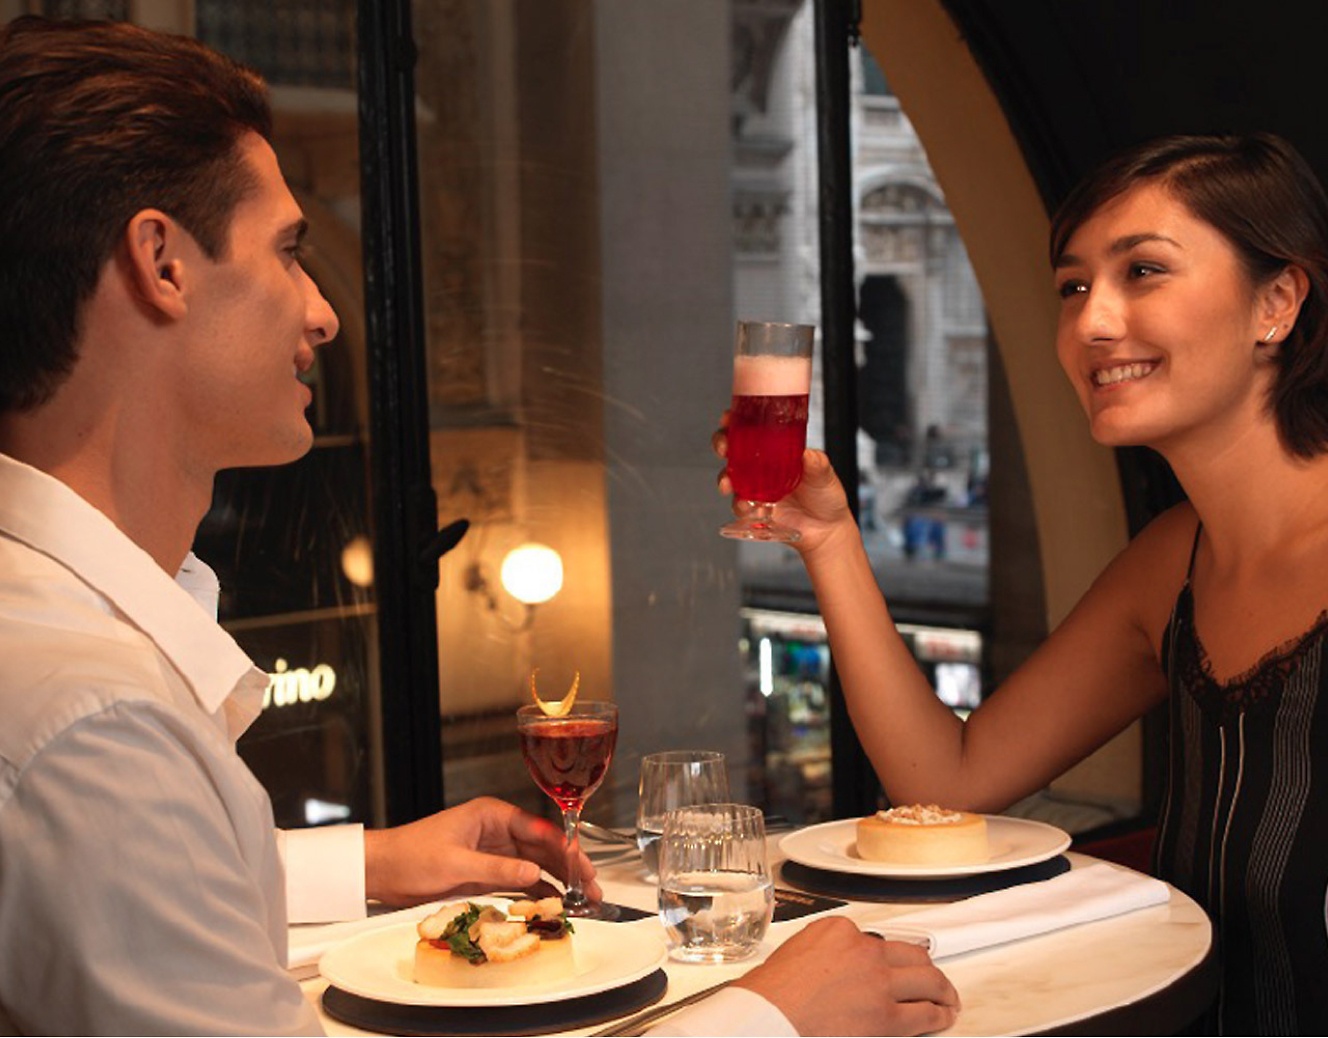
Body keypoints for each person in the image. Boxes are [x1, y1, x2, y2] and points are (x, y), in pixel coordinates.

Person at [0, 16, 959, 1036]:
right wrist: (770, 1018)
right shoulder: (98, 728)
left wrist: (369, 861)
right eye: (287, 252)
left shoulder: (58, 658)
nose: (322, 313)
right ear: (161, 263)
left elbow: (140, 874)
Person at [717, 131, 1328, 1033]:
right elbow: (950, 779)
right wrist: (830, 540)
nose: (1091, 322)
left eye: (1144, 272)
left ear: (1276, 302)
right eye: (1074, 287)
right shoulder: (1173, 563)